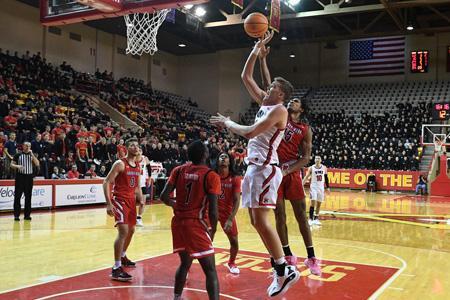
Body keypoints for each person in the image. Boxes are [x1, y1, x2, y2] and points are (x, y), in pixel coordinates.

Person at [210, 31, 300, 297]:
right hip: (255, 168)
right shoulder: (265, 103)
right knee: (255, 221)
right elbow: (245, 77)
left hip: (265, 168)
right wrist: (256, 49)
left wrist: (227, 123)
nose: (268, 86)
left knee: (261, 220)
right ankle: (280, 267)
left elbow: (249, 132)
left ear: (281, 94)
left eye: (273, 87)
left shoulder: (279, 110)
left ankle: (284, 269)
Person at [258, 44, 321, 275]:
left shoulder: (305, 128)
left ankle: (312, 256)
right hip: (275, 170)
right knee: (279, 215)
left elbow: (306, 158)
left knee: (301, 216)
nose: (292, 102)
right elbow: (269, 87)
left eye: (296, 102)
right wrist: (263, 59)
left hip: (291, 172)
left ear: (302, 109)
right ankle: (287, 253)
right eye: (291, 100)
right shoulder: (280, 112)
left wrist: (288, 170)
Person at [160, 140, 220, 300]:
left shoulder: (178, 170)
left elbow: (163, 196)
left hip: (179, 223)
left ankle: (177, 297)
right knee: (210, 270)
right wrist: (213, 229)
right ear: (206, 155)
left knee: (185, 264)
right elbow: (213, 211)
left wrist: (176, 205)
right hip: (196, 224)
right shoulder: (210, 175)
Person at [103, 138, 143, 282]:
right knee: (123, 231)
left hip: (131, 201)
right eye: (132, 145)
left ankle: (123, 255)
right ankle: (116, 268)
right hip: (120, 200)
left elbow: (137, 186)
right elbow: (106, 181)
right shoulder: (120, 163)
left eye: (137, 145)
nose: (135, 147)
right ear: (126, 148)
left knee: (131, 230)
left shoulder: (138, 165)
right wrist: (108, 203)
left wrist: (141, 198)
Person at [216, 152, 241, 274]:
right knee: (204, 240)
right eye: (221, 157)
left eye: (225, 157)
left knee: (234, 242)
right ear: (217, 161)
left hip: (227, 213)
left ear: (229, 162)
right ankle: (188, 266)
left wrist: (231, 219)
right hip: (212, 211)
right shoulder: (212, 176)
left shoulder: (235, 178)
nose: (223, 158)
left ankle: (231, 262)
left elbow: (237, 200)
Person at [10, 142, 40, 221]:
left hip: (29, 178)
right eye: (26, 145)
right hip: (20, 177)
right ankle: (16, 215)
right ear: (23, 146)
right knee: (17, 197)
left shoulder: (32, 155)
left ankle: (27, 215)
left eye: (29, 146)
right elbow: (11, 165)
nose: (28, 147)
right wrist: (17, 166)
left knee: (28, 197)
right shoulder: (18, 155)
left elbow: (37, 164)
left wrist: (32, 155)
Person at [304, 156, 330, 226]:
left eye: (318, 158)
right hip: (313, 187)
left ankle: (316, 218)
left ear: (321, 160)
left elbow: (326, 178)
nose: (317, 159)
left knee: (319, 204)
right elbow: (306, 177)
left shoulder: (324, 168)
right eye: (316, 158)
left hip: (321, 187)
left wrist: (328, 187)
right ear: (314, 160)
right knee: (313, 202)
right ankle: (310, 219)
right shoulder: (311, 168)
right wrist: (301, 185)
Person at [136, 147, 151, 227]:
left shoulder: (145, 158)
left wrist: (149, 178)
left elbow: (149, 168)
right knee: (131, 202)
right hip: (134, 184)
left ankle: (139, 218)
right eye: (138, 151)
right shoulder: (133, 159)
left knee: (143, 202)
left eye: (140, 150)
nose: (139, 152)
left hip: (142, 183)